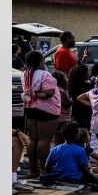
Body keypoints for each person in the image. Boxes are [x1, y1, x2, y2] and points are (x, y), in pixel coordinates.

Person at [21, 49, 62, 180]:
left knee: (33, 139)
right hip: (47, 110)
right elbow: (48, 93)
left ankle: (33, 171)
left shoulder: (25, 74)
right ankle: (44, 171)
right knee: (44, 140)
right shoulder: (45, 75)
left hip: (30, 108)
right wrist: (36, 94)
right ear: (40, 61)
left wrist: (32, 95)